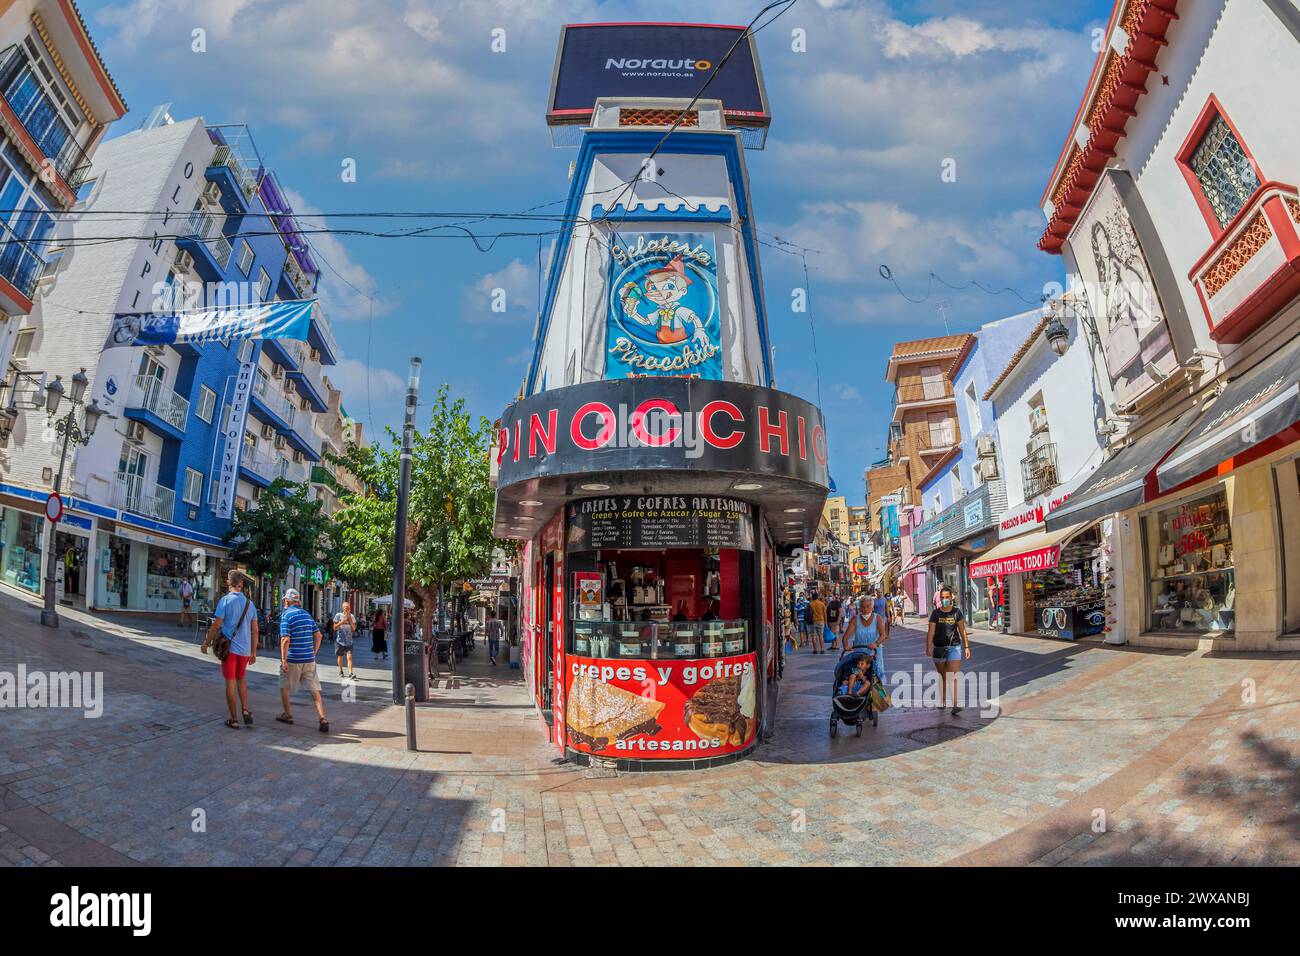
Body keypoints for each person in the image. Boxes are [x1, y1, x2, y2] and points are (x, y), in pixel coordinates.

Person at [202, 569, 258, 730]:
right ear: (241, 584)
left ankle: (234, 719)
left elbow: (217, 624)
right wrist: (253, 651)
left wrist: (207, 642)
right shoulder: (250, 604)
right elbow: (255, 630)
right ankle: (245, 709)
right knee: (241, 679)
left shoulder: (225, 601)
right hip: (245, 650)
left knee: (230, 683)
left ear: (228, 583)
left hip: (230, 649)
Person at [276, 589, 329, 733]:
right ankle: (322, 718)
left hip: (293, 658)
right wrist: (313, 653)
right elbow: (318, 636)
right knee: (314, 690)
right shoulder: (307, 614)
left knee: (284, 686)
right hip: (309, 659)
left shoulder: (286, 615)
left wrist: (283, 660)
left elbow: (285, 639)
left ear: (287, 601)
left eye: (284, 601)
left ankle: (288, 715)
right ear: (297, 601)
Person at [926, 586, 971, 717]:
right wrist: (928, 647)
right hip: (939, 648)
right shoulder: (936, 613)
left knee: (952, 675)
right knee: (942, 675)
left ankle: (955, 704)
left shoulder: (957, 612)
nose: (944, 600)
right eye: (942, 598)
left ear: (952, 597)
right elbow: (931, 631)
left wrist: (967, 646)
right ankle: (942, 700)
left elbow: (962, 630)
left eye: (947, 597)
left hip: (954, 647)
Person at [840, 595, 888, 683]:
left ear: (872, 607)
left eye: (868, 607)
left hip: (874, 654)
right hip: (859, 655)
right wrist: (846, 645)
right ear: (859, 608)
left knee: (876, 678)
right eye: (863, 607)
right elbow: (846, 637)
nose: (865, 609)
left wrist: (876, 644)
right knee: (857, 676)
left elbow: (883, 635)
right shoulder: (855, 619)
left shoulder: (878, 618)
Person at [333, 602, 357, 679]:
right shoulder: (338, 615)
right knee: (340, 657)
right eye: (345, 607)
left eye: (348, 607)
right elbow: (335, 628)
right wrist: (342, 622)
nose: (347, 609)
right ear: (343, 608)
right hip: (340, 640)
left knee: (349, 657)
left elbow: (354, 628)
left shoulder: (352, 616)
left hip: (349, 641)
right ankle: (341, 670)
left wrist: (350, 619)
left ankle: (350, 673)